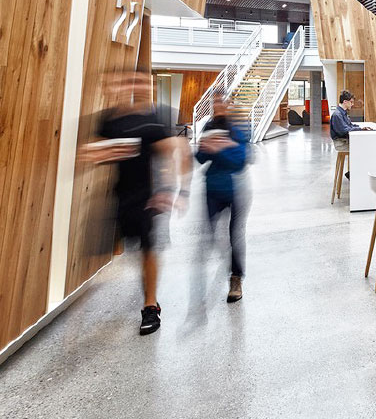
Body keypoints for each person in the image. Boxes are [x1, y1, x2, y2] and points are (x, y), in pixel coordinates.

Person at [78, 68, 191, 335]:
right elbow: (91, 152)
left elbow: (175, 152)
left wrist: (171, 190)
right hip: (122, 195)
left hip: (150, 197)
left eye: (141, 83)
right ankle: (148, 292)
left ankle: (150, 306)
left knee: (148, 250)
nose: (136, 87)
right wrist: (98, 154)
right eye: (130, 83)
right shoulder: (110, 121)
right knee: (135, 251)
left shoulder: (153, 120)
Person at [195, 94, 250, 303]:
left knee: (234, 235)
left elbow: (240, 161)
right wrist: (205, 148)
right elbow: (200, 158)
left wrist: (221, 149)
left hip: (236, 189)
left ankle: (236, 278)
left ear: (228, 105)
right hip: (212, 189)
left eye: (221, 102)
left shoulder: (237, 128)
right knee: (208, 234)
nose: (218, 106)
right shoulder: (209, 126)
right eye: (215, 102)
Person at [330, 91, 370, 182]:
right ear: (345, 102)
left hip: (344, 141)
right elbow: (344, 130)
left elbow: (349, 126)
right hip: (341, 143)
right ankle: (355, 173)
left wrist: (360, 128)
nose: (352, 104)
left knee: (364, 147)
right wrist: (359, 129)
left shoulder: (342, 113)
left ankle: (354, 172)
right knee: (364, 149)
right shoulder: (337, 115)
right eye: (351, 102)